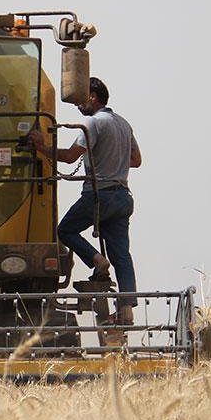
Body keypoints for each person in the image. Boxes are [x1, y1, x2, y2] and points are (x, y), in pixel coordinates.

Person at [28, 77, 142, 324]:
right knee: (122, 255)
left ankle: (97, 261)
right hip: (122, 196)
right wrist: (114, 162)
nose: (79, 104)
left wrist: (41, 148)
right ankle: (126, 311)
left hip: (98, 195)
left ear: (92, 97)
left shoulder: (92, 123)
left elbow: (69, 157)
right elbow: (136, 160)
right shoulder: (123, 124)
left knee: (65, 230)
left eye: (82, 98)